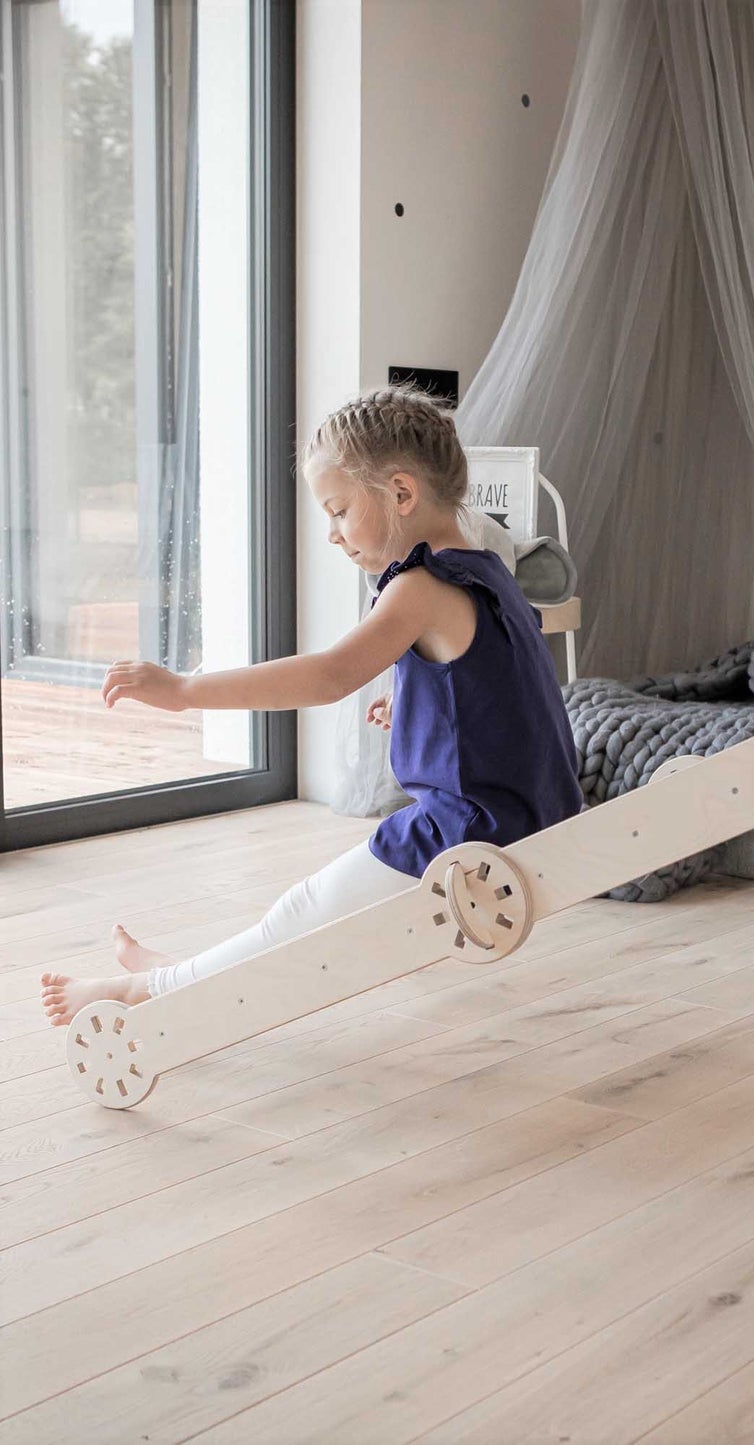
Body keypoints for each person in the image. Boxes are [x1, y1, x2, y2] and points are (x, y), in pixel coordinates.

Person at [41, 385, 583, 1027]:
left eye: (339, 510)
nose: (331, 534)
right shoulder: (485, 563)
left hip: (473, 832)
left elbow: (328, 677)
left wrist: (185, 690)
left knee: (304, 915)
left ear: (402, 495)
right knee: (300, 917)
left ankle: (146, 992)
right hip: (534, 809)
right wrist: (416, 707)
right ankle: (183, 970)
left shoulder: (417, 586)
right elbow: (497, 690)